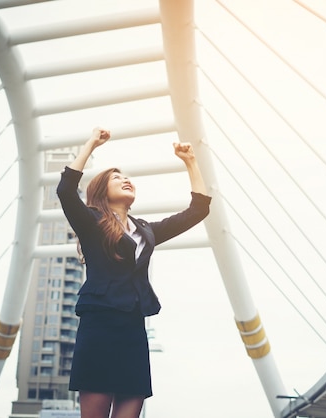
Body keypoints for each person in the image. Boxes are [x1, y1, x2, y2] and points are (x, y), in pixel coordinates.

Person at [56, 127, 211, 418]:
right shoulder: (91, 222)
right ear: (102, 192)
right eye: (116, 177)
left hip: (134, 331)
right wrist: (90, 144)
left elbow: (198, 211)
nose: (126, 179)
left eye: (127, 177)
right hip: (99, 326)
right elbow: (65, 190)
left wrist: (190, 162)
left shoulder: (146, 231)